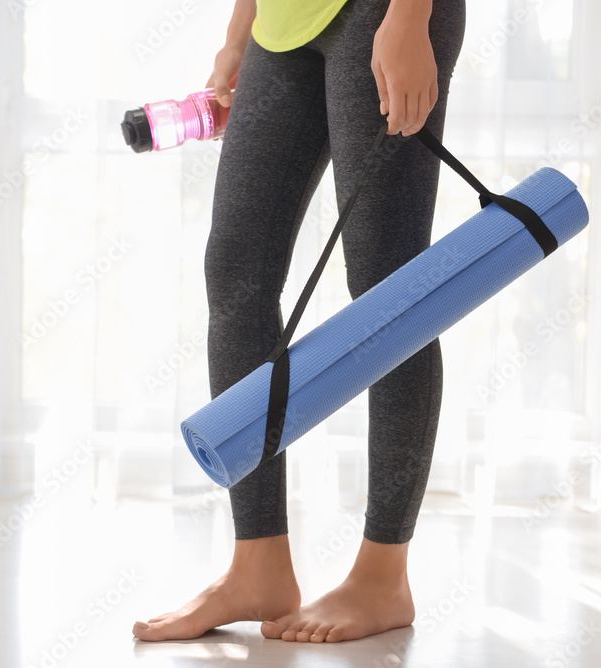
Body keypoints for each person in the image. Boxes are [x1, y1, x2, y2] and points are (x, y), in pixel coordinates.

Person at [134, 0, 465, 644]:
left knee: (387, 288)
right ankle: (258, 561)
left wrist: (410, 16)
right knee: (235, 273)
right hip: (281, 22)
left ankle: (383, 576)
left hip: (381, 11)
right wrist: (237, 35)